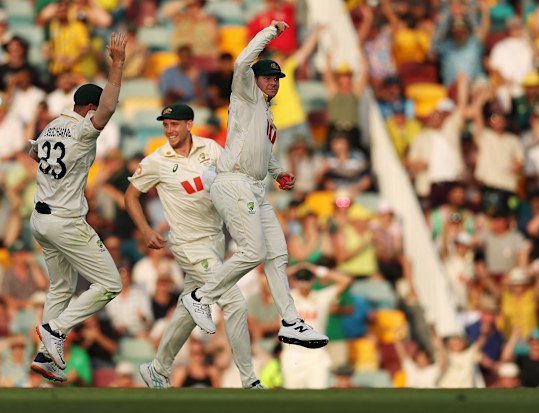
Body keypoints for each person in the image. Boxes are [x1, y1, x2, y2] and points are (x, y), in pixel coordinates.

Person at [180, 21, 329, 349]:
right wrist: (271, 33)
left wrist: (278, 173)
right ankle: (200, 296)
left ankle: (291, 321)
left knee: (277, 254)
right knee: (253, 251)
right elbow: (240, 62)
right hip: (233, 182)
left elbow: (263, 152)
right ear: (255, 79)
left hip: (255, 186)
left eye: (276, 78)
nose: (273, 82)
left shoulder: (267, 113)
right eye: (268, 77)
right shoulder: (245, 94)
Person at [124, 103, 263, 389]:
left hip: (215, 240)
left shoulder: (210, 149)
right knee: (234, 302)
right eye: (165, 124)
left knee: (188, 310)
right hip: (188, 244)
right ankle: (249, 381)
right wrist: (146, 230)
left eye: (174, 124)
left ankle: (157, 368)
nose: (169, 130)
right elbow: (130, 196)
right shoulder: (156, 160)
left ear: (189, 125)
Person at [28, 33, 128, 383]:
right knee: (110, 283)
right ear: (88, 109)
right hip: (66, 221)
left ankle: (47, 358)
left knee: (60, 287)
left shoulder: (51, 126)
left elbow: (34, 152)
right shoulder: (84, 130)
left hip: (39, 219)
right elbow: (109, 107)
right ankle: (55, 331)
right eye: (96, 110)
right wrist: (116, 65)